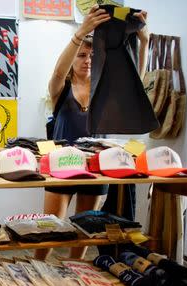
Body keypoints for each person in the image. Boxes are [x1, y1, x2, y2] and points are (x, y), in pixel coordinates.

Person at [35, 5, 149, 260]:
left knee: (84, 233)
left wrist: (144, 41)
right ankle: (37, 270)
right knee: (50, 231)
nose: (87, 60)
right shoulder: (60, 89)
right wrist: (82, 31)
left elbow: (136, 85)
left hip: (96, 168)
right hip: (61, 167)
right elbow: (57, 71)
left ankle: (76, 277)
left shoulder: (106, 93)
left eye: (92, 55)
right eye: (82, 55)